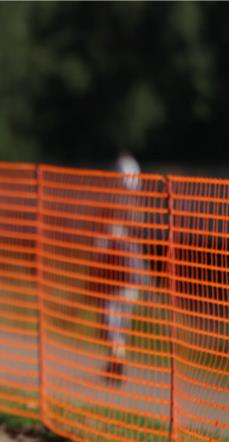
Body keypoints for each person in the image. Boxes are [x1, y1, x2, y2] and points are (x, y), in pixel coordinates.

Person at [96, 152, 150, 383]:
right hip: (120, 274)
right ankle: (115, 361)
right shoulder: (128, 210)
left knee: (113, 320)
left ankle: (115, 361)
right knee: (114, 321)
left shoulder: (128, 211)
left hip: (121, 274)